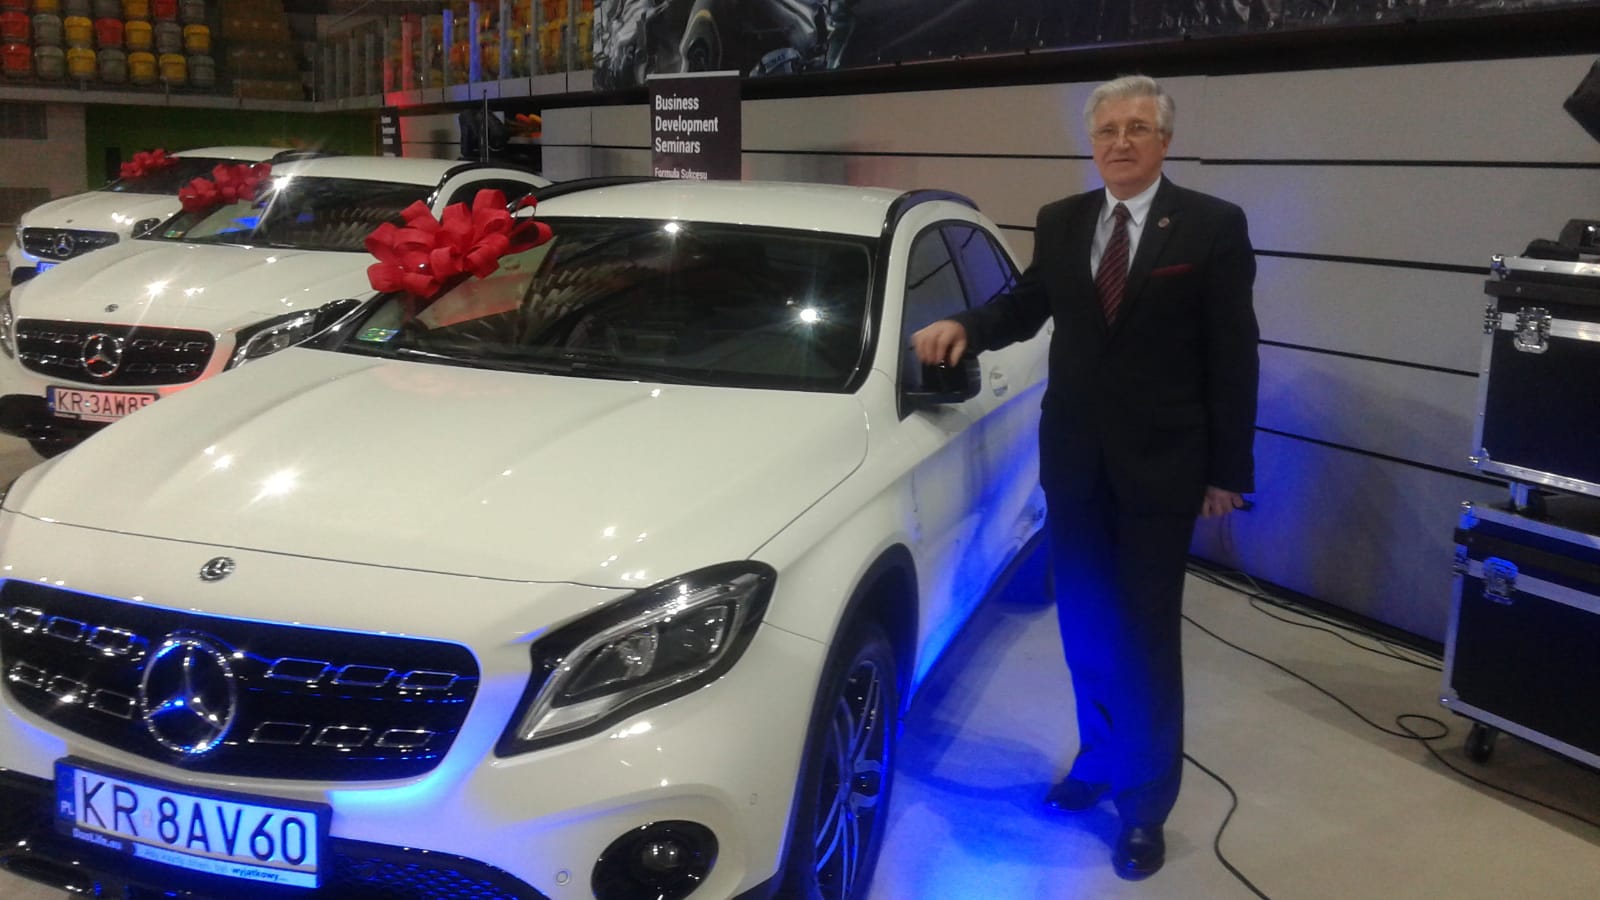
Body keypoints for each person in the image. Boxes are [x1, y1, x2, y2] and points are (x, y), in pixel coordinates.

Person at [911, 74, 1258, 881]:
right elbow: (1024, 304)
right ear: (1092, 142)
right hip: (1074, 465)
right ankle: (1098, 759)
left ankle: (1143, 806)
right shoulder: (1063, 221)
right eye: (1108, 130)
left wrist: (1227, 470)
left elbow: (1234, 353)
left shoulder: (1211, 225)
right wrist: (965, 324)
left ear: (1164, 140)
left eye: (1138, 128)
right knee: (1087, 626)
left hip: (1162, 469)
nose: (1121, 142)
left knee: (1144, 637)